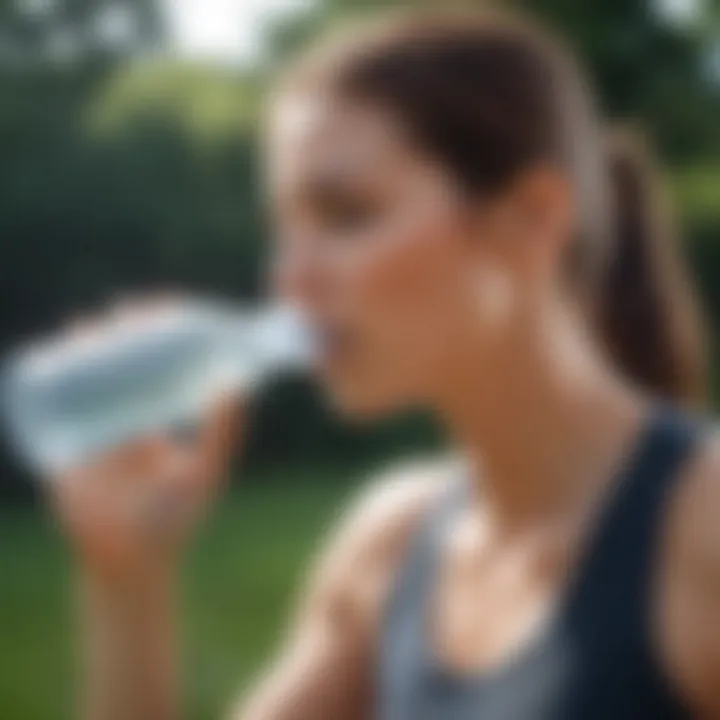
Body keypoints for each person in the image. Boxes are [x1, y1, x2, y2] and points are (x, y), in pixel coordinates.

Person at [51, 7, 720, 720]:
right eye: (284, 231)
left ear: (531, 218)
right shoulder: (389, 547)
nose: (290, 279)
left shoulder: (701, 533)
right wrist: (127, 579)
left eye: (345, 215)